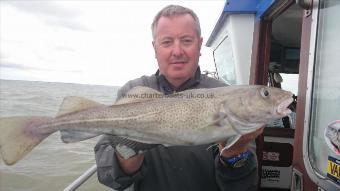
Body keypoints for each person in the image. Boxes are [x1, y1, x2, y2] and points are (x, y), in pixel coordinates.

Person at [94, 5, 263, 191]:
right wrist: (130, 150)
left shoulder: (226, 95)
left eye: (186, 40)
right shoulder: (134, 91)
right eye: (167, 42)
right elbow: (108, 176)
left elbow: (245, 186)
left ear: (199, 45)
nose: (177, 51)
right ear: (154, 47)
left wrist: (235, 154)